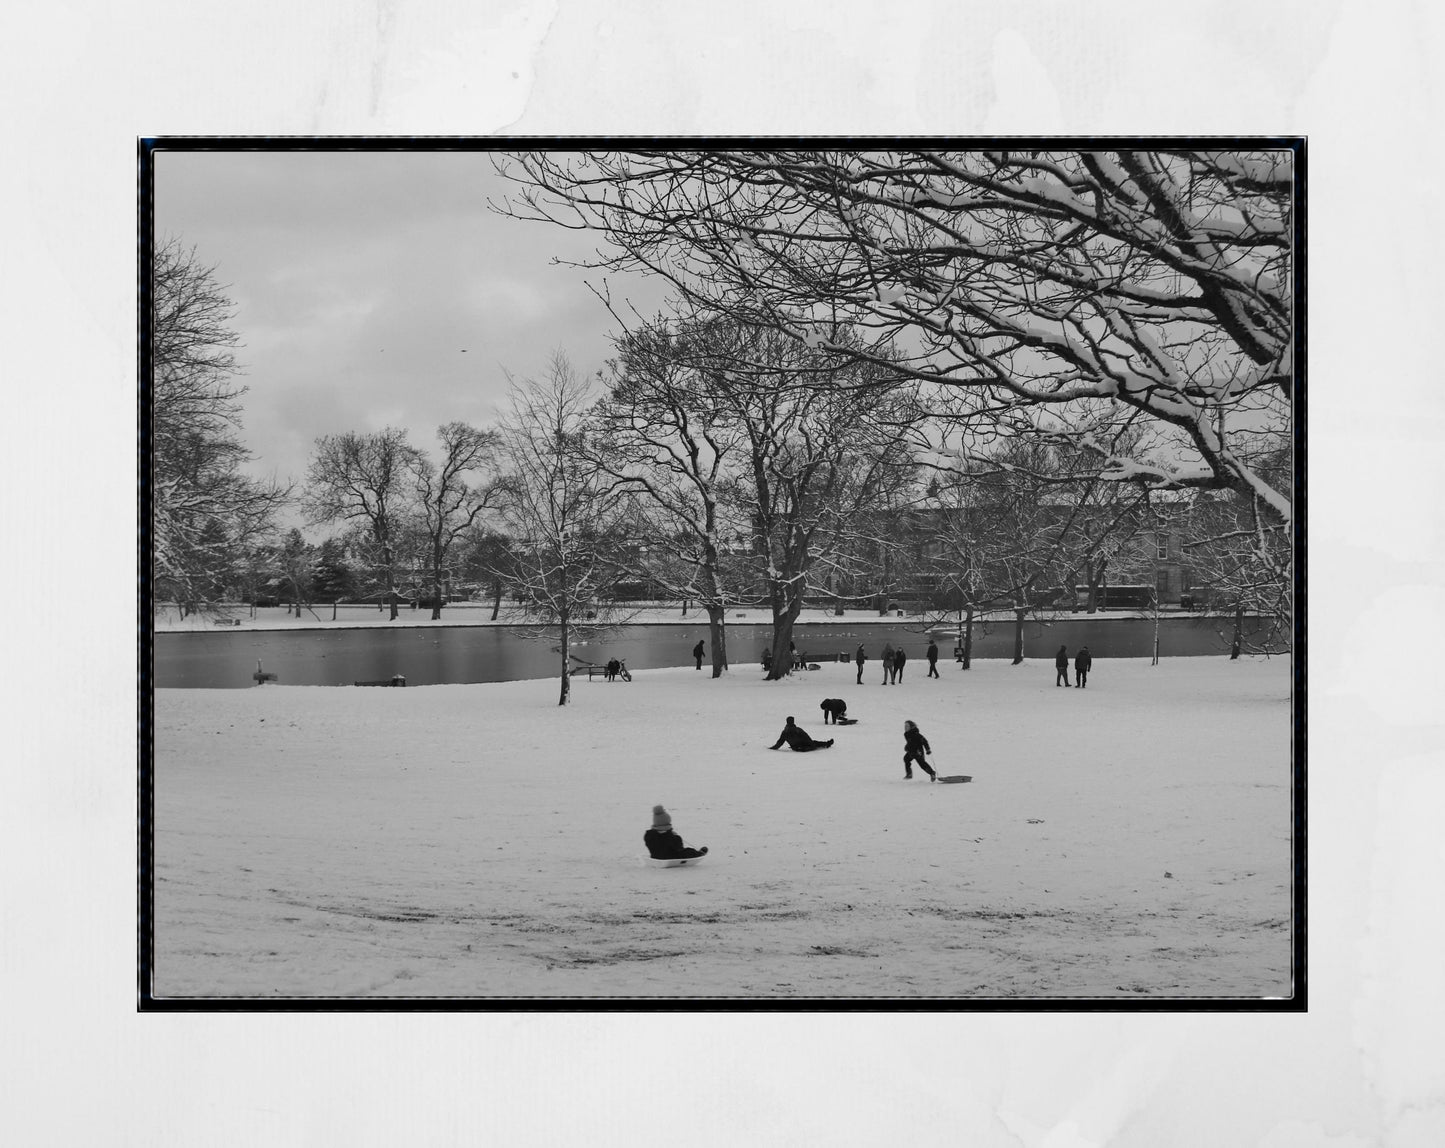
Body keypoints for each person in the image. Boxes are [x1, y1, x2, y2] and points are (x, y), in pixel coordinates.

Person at [769, 716, 834, 751]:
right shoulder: (798, 730)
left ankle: (826, 743)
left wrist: (772, 748)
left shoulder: (784, 732)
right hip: (804, 747)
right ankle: (827, 743)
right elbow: (807, 738)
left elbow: (779, 743)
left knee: (813, 742)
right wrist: (812, 745)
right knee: (815, 742)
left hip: (795, 748)